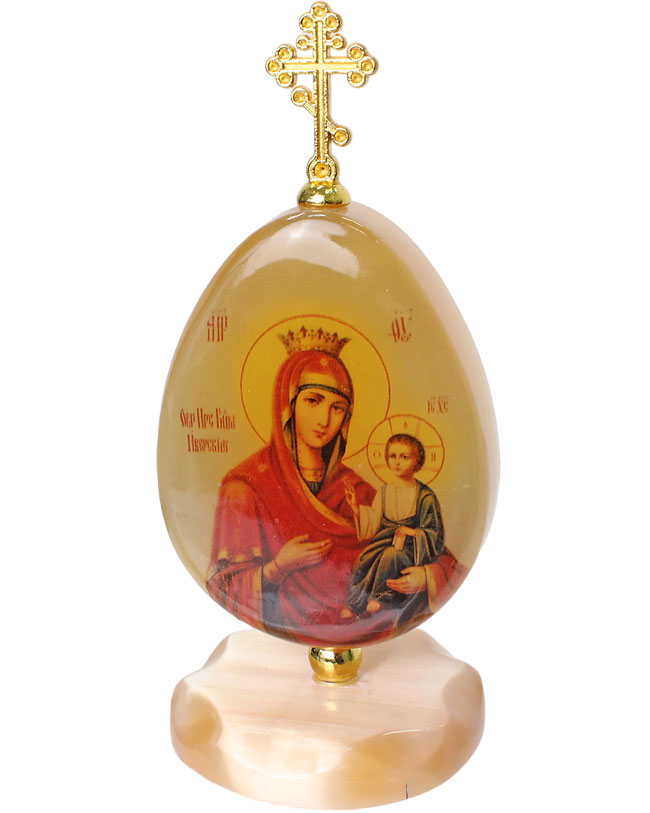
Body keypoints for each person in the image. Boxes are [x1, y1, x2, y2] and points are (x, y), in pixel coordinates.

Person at [207, 334, 388, 646]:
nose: (325, 420)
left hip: (370, 630)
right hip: (281, 641)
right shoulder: (245, 487)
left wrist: (425, 576)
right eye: (313, 401)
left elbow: (426, 555)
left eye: (337, 408)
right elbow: (224, 585)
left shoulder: (356, 491)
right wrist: (277, 568)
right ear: (287, 404)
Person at [342, 433, 446, 619]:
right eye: (393, 456)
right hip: (383, 542)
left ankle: (379, 598)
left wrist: (412, 532)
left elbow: (434, 533)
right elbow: (373, 521)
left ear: (417, 461)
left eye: (404, 457)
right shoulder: (385, 491)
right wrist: (356, 507)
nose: (397, 462)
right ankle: (355, 604)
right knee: (363, 560)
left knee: (391, 556)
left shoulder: (425, 496)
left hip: (410, 549)